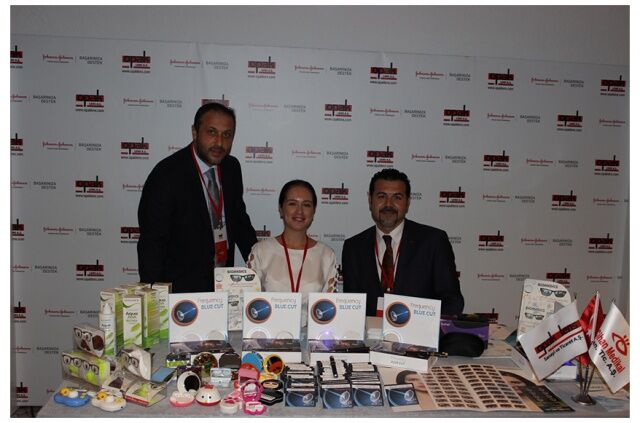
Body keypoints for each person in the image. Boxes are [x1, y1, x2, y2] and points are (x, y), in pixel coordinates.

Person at [137, 102, 257, 292]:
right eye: (211, 132)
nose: (219, 143)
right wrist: (155, 296)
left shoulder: (231, 167)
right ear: (194, 132)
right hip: (181, 291)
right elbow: (152, 243)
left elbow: (239, 221)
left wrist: (261, 265)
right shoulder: (166, 175)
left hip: (223, 285)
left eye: (227, 135)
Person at [342, 168, 464, 316]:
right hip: (369, 331)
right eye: (381, 196)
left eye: (397, 197)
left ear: (408, 202)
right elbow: (351, 308)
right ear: (370, 200)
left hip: (419, 330)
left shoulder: (433, 242)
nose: (388, 204)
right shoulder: (353, 247)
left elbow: (452, 301)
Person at [247, 180, 337, 300]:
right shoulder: (261, 251)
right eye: (292, 204)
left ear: (314, 211)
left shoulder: (326, 255)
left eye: (306, 205)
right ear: (281, 208)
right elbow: (250, 301)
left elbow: (329, 305)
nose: (299, 211)